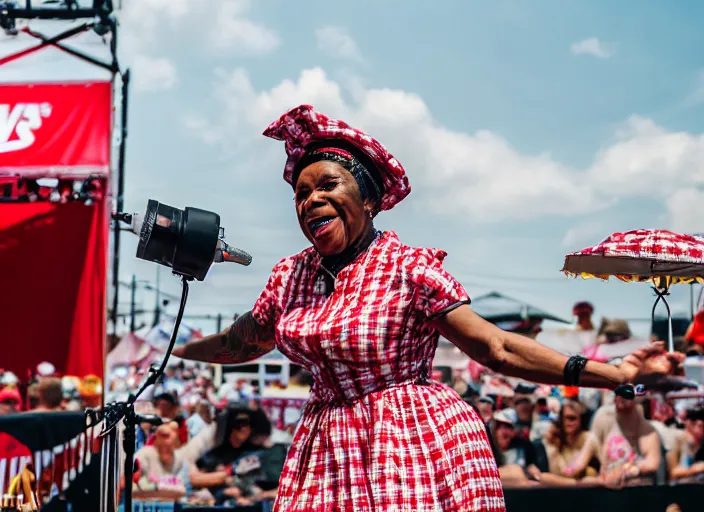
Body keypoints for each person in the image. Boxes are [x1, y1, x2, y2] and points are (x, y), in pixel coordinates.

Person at [173, 104, 684, 511]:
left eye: (328, 185)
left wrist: (613, 372)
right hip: (324, 451)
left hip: (408, 441)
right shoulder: (291, 277)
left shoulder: (409, 266)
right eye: (301, 194)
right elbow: (241, 341)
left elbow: (496, 346)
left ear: (369, 200)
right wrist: (176, 354)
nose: (310, 201)